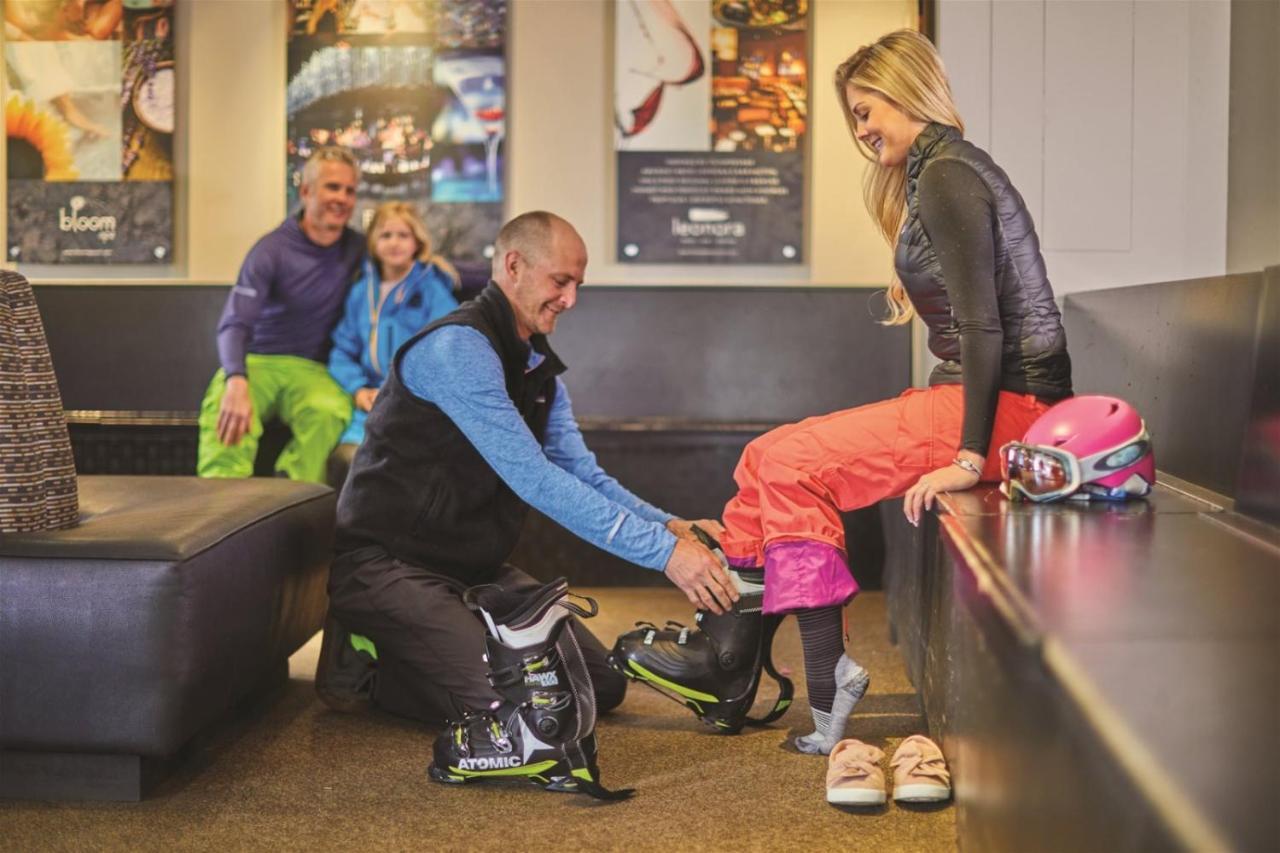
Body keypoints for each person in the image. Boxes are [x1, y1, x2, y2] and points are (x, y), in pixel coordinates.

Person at [621, 29, 1073, 756]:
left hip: (1009, 413)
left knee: (786, 462)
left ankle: (826, 685)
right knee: (763, 463)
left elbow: (985, 328)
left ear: (907, 92)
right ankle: (727, 662)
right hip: (984, 403)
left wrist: (966, 456)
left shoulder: (950, 174)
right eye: (854, 117)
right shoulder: (939, 172)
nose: (861, 130)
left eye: (867, 111)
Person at [323, 211, 735, 791]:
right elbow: (535, 480)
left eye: (577, 286)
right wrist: (664, 557)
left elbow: (580, 473)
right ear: (513, 266)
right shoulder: (457, 350)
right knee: (544, 706)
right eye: (559, 282)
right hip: (388, 567)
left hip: (475, 571)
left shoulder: (540, 369)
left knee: (603, 687)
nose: (569, 299)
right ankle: (369, 665)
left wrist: (669, 527)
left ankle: (448, 643)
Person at [197, 146, 364, 483]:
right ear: (306, 191)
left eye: (349, 190)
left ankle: (292, 500)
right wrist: (235, 379)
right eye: (333, 187)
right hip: (259, 361)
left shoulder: (358, 247)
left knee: (329, 411)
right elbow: (234, 322)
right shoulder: (270, 250)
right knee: (226, 410)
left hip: (314, 368)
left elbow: (418, 260)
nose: (342, 198)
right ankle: (220, 515)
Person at [327, 201, 460, 450]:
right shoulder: (360, 294)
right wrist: (358, 389)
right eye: (386, 235)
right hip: (370, 402)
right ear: (373, 243)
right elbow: (342, 351)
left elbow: (448, 352)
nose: (394, 242)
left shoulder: (432, 291)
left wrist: (408, 393)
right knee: (349, 458)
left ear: (416, 242)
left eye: (403, 235)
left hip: (417, 402)